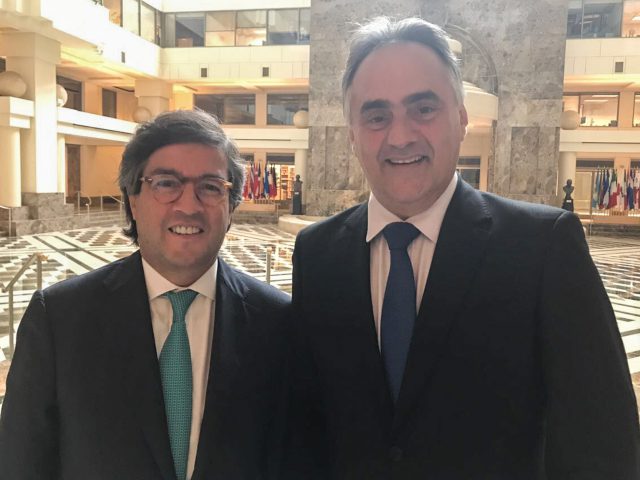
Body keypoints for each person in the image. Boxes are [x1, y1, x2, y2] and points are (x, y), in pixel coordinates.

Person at [287, 17, 640, 479]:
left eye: (423, 108)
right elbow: (305, 425)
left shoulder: (543, 248)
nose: (400, 136)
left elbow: (603, 441)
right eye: (376, 116)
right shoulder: (317, 254)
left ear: (461, 117)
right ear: (352, 133)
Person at [0, 110, 290, 480]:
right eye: (166, 184)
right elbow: (20, 463)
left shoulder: (278, 322)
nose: (189, 206)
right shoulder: (59, 320)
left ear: (231, 207)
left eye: (210, 187)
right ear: (133, 201)